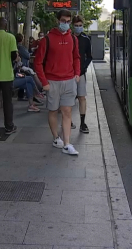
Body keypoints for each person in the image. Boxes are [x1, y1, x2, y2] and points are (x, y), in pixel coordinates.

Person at [34, 9, 81, 155]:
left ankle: (67, 143)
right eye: (63, 21)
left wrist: (77, 74)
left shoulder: (73, 39)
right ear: (58, 21)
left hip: (69, 80)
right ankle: (56, 138)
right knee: (53, 110)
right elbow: (38, 63)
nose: (66, 24)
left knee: (67, 111)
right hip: (52, 81)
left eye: (68, 22)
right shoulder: (46, 40)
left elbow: (76, 58)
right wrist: (44, 82)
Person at [72, 15, 93, 134]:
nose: (78, 28)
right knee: (68, 98)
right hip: (69, 73)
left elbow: (89, 56)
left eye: (80, 26)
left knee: (81, 97)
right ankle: (67, 120)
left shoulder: (86, 39)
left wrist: (82, 68)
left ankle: (82, 122)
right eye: (76, 26)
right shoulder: (68, 38)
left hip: (80, 73)